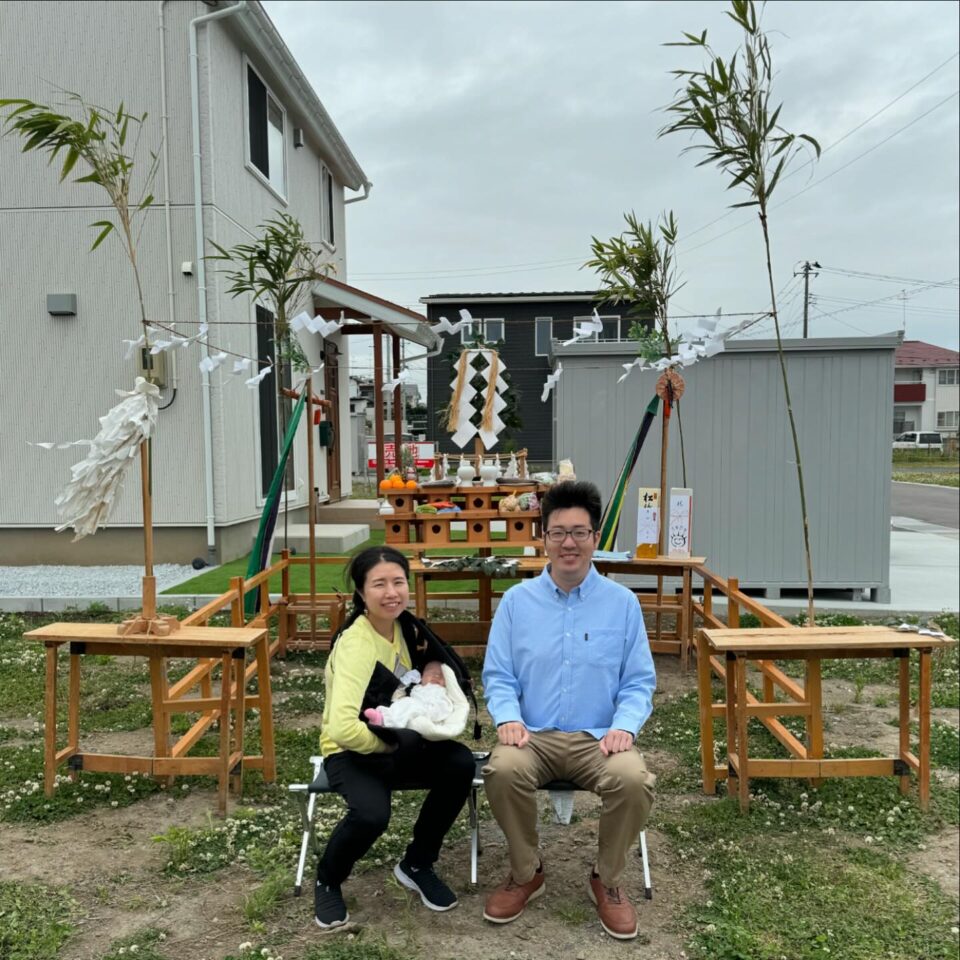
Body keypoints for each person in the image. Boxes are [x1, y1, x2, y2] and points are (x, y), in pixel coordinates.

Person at [481, 480, 656, 940]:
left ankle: (607, 879)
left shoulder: (623, 605)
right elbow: (498, 675)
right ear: (544, 538)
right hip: (531, 736)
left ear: (596, 538)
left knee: (633, 780)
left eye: (579, 532)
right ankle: (526, 872)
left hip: (598, 738)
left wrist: (624, 727)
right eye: (558, 533)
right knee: (501, 769)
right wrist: (507, 717)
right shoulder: (517, 602)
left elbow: (639, 681)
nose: (569, 543)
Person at [314, 546, 475, 931]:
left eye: (398, 582)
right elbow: (342, 728)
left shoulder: (402, 630)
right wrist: (393, 746)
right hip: (353, 749)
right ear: (361, 593)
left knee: (459, 763)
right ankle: (328, 879)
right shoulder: (356, 644)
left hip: (395, 738)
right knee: (372, 815)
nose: (392, 592)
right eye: (379, 584)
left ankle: (417, 862)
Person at [363, 660, 468, 738]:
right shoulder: (417, 688)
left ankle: (383, 720)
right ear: (421, 677)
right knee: (404, 703)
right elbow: (399, 694)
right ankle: (381, 715)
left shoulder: (443, 691)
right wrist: (405, 682)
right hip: (417, 709)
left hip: (435, 709)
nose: (436, 675)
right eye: (431, 672)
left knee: (410, 704)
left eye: (442, 675)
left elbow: (454, 699)